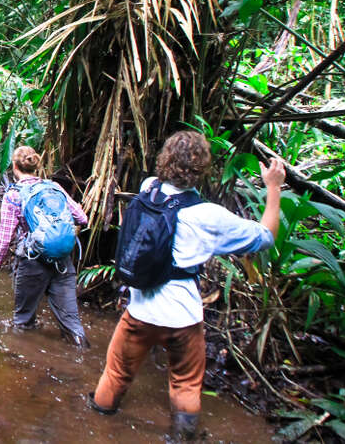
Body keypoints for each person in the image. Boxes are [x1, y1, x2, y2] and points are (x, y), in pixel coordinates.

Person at [88, 130, 286, 440]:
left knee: (115, 375)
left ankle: (97, 426)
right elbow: (265, 236)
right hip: (183, 318)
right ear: (203, 169)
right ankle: (182, 438)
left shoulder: (147, 190)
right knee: (185, 384)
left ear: (165, 160)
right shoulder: (208, 215)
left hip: (139, 313)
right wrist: (273, 188)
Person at [0, 146, 89, 347]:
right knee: (72, 323)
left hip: (32, 263)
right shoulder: (54, 187)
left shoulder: (13, 195)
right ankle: (83, 357)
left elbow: (4, 240)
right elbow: (82, 218)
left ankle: (22, 363)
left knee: (23, 321)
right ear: (37, 165)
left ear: (14, 166)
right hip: (62, 261)